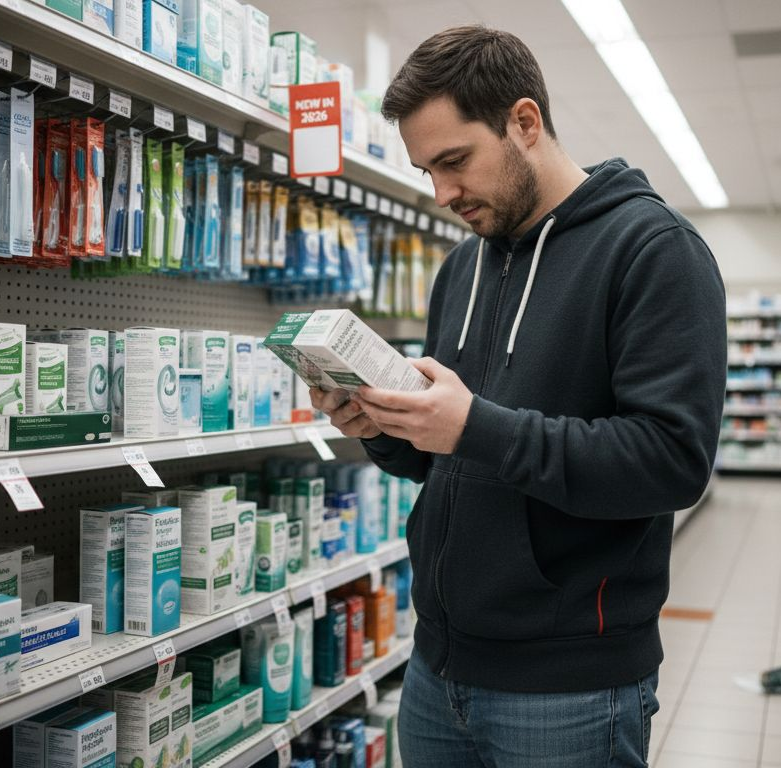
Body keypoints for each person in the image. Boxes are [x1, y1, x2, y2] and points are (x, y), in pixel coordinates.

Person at [309, 25, 726, 768]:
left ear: (524, 123)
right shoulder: (460, 270)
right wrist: (380, 425)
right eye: (425, 170)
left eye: (454, 161)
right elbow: (443, 461)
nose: (441, 194)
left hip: (570, 686)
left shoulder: (653, 250)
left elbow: (672, 461)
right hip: (436, 668)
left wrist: (477, 427)